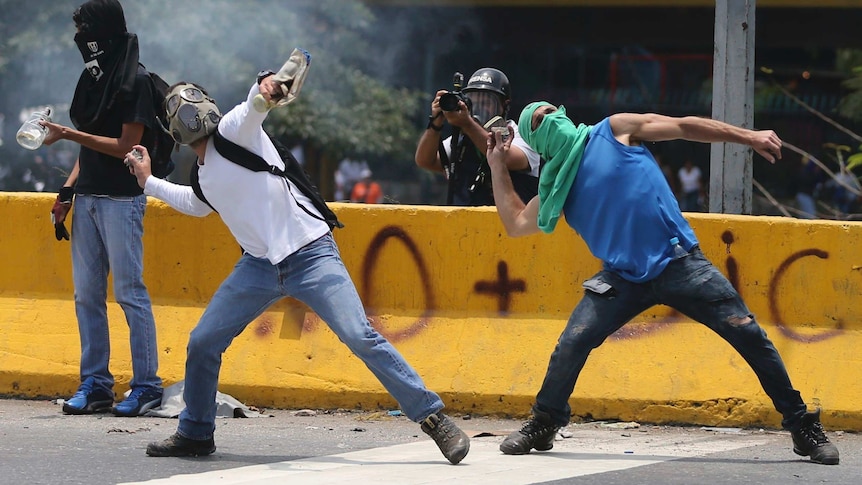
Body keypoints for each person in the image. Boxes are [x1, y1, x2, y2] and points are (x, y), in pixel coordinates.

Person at [125, 65, 470, 464]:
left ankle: (433, 418)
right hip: (258, 267)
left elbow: (256, 104)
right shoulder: (203, 175)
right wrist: (147, 181)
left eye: (191, 102)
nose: (189, 110)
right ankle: (195, 433)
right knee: (203, 342)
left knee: (360, 336)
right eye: (180, 108)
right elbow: (195, 204)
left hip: (310, 253)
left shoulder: (235, 130)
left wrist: (267, 86)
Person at [483, 102, 840, 465]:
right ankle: (544, 422)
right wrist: (498, 165)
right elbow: (514, 223)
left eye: (550, 110)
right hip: (620, 277)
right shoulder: (556, 188)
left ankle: (802, 427)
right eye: (539, 120)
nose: (550, 118)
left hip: (680, 262)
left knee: (749, 334)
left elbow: (684, 126)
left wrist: (748, 137)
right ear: (536, 141)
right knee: (572, 343)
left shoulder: (613, 129)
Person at [41, 0, 163, 417]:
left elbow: (126, 146)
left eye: (88, 28)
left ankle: (147, 385)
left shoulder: (136, 82)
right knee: (87, 295)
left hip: (122, 200)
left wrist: (67, 133)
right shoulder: (94, 79)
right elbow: (87, 149)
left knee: (130, 294)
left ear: (107, 31)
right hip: (89, 198)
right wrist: (67, 191)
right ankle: (95, 383)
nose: (82, 38)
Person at [415, 68, 540, 206]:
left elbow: (506, 159)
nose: (479, 109)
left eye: (486, 103)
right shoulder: (462, 139)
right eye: (473, 102)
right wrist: (436, 123)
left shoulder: (521, 135)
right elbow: (425, 161)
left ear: (505, 106)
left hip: (508, 225)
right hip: (464, 225)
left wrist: (467, 124)